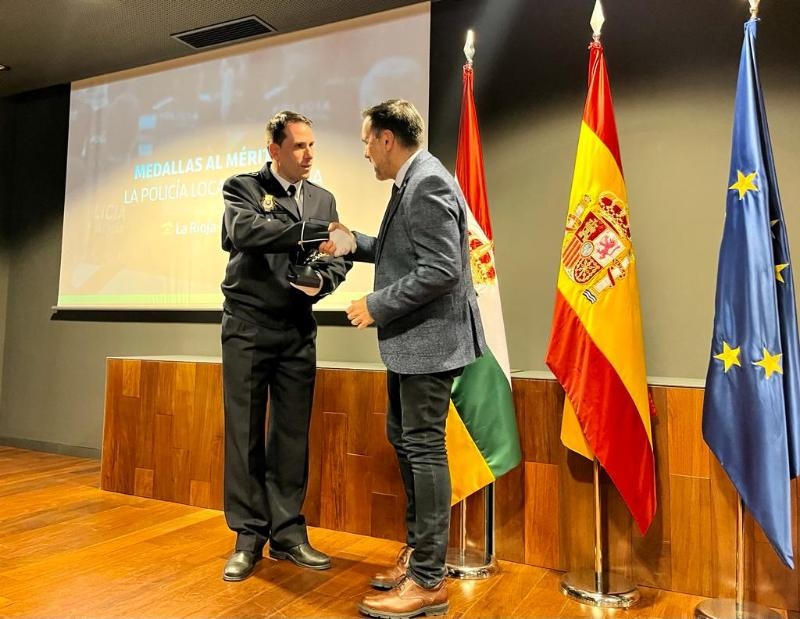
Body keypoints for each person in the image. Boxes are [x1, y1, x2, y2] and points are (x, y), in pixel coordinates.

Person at [321, 99, 485, 619]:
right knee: (408, 441)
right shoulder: (413, 180)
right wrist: (353, 243)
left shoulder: (427, 182)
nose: (365, 152)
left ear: (387, 139)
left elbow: (441, 269)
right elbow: (404, 252)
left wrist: (376, 304)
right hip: (414, 343)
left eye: (367, 141)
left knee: (424, 449)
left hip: (429, 343)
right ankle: (419, 558)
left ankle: (429, 580)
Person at [220, 110, 350, 581]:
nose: (308, 154)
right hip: (248, 326)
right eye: (298, 146)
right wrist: (313, 231)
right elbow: (246, 233)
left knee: (292, 435)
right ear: (274, 149)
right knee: (244, 434)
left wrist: (322, 280)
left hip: (297, 329)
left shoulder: (323, 198)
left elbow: (339, 257)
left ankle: (288, 534)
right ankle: (247, 537)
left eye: (312, 145)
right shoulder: (243, 188)